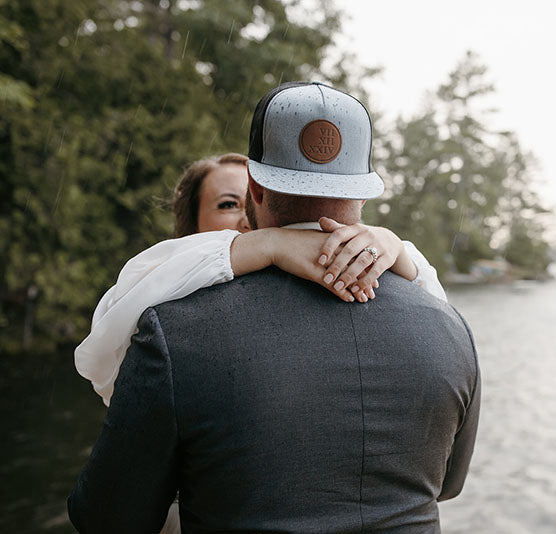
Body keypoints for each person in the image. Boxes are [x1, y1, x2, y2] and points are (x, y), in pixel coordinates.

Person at [68, 81, 480, 533]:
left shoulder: (176, 332)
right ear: (363, 194)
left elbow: (107, 518)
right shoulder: (450, 328)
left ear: (255, 190)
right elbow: (447, 483)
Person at [75, 153, 446, 407]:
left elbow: (442, 326)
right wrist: (267, 241)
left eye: (250, 202)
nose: (244, 219)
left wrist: (398, 250)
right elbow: (104, 359)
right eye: (227, 204)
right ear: (190, 227)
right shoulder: (165, 300)